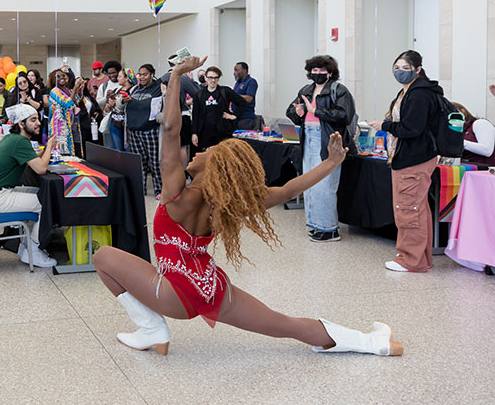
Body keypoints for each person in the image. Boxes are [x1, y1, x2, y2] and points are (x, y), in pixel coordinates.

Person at [93, 55, 404, 358]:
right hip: (209, 286)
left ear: (213, 168)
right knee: (284, 324)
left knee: (103, 256)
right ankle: (371, 342)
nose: (200, 152)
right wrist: (331, 162)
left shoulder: (177, 195)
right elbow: (285, 191)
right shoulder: (229, 204)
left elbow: (172, 132)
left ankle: (151, 328)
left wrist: (175, 77)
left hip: (172, 294)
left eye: (208, 151)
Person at [368, 50, 445, 273]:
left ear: (418, 69)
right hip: (413, 157)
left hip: (414, 158)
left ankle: (410, 260)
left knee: (408, 209)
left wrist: (385, 126)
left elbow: (412, 128)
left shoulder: (419, 94)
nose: (400, 72)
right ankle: (421, 258)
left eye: (405, 68)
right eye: (397, 68)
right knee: (418, 209)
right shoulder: (410, 91)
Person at [286, 55, 356, 243]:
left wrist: (315, 111)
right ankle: (315, 224)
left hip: (327, 139)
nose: (317, 73)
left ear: (330, 72)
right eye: (314, 70)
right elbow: (291, 111)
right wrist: (298, 112)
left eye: (321, 70)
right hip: (308, 136)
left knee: (325, 185)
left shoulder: (338, 90)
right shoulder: (306, 90)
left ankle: (329, 229)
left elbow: (344, 115)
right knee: (309, 183)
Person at [0, 104, 58, 267]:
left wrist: (42, 153)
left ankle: (25, 247)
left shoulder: (11, 138)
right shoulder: (20, 142)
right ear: (21, 124)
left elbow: (31, 157)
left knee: (40, 193)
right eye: (33, 120)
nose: (38, 123)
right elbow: (41, 169)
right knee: (46, 203)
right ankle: (34, 250)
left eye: (38, 119)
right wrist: (49, 146)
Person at [126, 64, 163, 197]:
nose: (141, 77)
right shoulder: (134, 89)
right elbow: (122, 105)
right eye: (139, 74)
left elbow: (163, 106)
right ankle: (140, 189)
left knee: (154, 162)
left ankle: (159, 190)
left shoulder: (158, 88)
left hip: (150, 129)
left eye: (145, 74)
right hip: (134, 130)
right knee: (138, 162)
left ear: (152, 74)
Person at [191, 66, 248, 151]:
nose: (213, 80)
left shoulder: (225, 91)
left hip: (222, 133)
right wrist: (194, 133)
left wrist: (234, 116)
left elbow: (242, 102)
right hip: (204, 134)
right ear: (206, 78)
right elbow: (195, 115)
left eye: (215, 78)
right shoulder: (199, 94)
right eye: (210, 77)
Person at [160, 65, 201, 166]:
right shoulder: (183, 78)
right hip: (181, 115)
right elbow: (198, 94)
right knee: (182, 147)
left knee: (169, 146)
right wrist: (192, 81)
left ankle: (171, 171)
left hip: (166, 116)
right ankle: (183, 173)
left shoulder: (162, 78)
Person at [48, 69, 85, 156]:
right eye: (58, 76)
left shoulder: (67, 90)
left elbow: (76, 100)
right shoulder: (54, 91)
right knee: (63, 154)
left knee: (75, 150)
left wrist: (79, 89)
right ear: (53, 79)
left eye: (63, 75)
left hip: (71, 124)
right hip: (60, 128)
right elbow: (67, 104)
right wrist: (75, 87)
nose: (62, 77)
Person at [232, 61, 259, 130]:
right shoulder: (238, 83)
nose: (234, 73)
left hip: (246, 119)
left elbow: (249, 98)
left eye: (236, 70)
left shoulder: (251, 82)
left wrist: (233, 95)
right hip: (236, 116)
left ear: (244, 70)